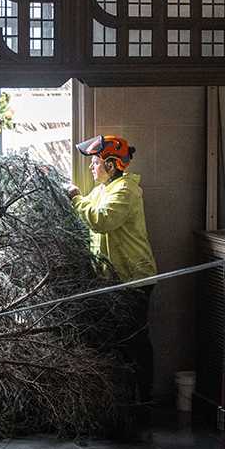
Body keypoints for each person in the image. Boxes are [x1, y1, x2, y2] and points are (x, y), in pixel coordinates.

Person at [66, 135, 157, 411]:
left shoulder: (125, 191)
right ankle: (122, 401)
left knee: (134, 341)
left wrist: (74, 198)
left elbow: (101, 220)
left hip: (133, 280)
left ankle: (143, 402)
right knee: (115, 341)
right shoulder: (104, 189)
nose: (92, 167)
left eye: (96, 162)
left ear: (112, 164)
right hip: (112, 281)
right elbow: (85, 216)